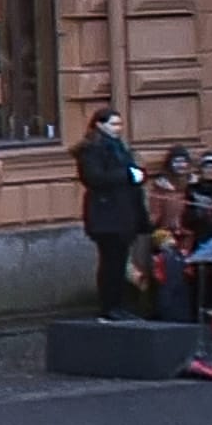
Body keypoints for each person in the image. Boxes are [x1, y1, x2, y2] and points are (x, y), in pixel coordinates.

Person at [75, 108, 145, 320]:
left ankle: (119, 305)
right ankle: (109, 306)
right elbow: (94, 178)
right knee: (111, 262)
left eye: (119, 124)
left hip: (123, 212)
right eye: (113, 124)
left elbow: (131, 176)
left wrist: (137, 176)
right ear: (99, 124)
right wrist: (127, 174)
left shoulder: (119, 148)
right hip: (105, 214)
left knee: (120, 261)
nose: (118, 129)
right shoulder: (91, 149)